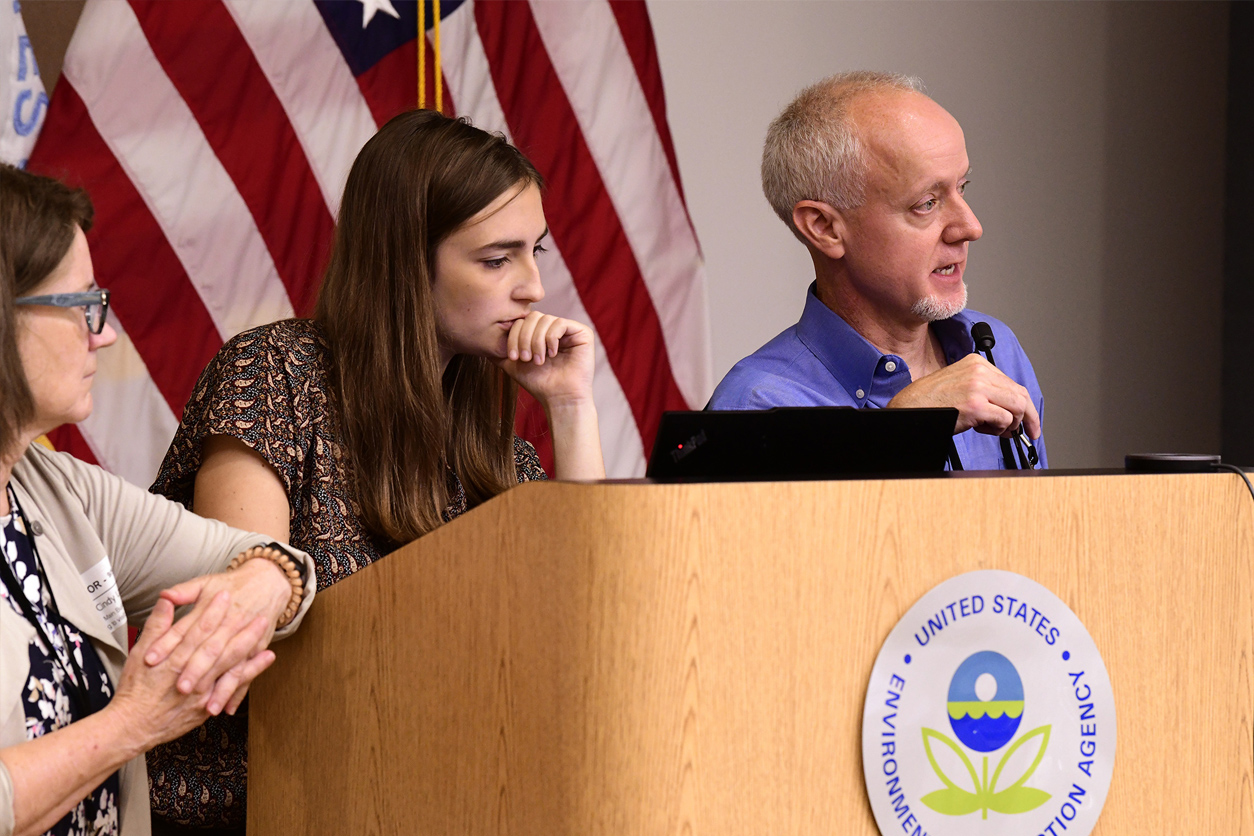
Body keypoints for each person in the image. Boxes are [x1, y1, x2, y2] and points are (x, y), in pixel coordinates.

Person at [145, 110, 606, 831]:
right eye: (497, 259)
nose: (533, 288)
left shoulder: (495, 446)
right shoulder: (273, 374)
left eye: (536, 252)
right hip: (261, 806)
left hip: (431, 796)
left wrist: (573, 407)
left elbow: (585, 626)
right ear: (404, 259)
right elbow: (242, 637)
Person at [0, 163, 318, 836]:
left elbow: (267, 559)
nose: (104, 333)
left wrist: (264, 582)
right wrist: (134, 724)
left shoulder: (54, 488)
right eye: (81, 305)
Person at [709, 72, 1047, 470]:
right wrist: (901, 428)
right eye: (927, 203)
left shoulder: (995, 350)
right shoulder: (759, 406)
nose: (971, 227)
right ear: (825, 228)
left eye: (963, 187)